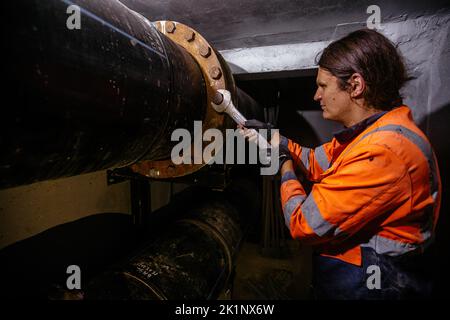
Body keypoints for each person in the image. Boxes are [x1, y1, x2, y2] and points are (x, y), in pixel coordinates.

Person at [242, 29, 441, 299]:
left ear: (356, 86)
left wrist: (284, 167)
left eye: (323, 86)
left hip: (373, 285)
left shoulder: (383, 152)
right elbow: (313, 161)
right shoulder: (370, 132)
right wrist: (273, 136)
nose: (316, 95)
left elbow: (304, 225)